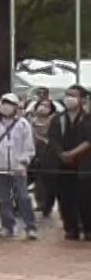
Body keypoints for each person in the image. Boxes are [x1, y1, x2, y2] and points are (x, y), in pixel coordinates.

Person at [0, 93, 37, 240]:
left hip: (18, 168)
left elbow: (28, 146)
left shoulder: (23, 125)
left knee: (23, 198)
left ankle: (30, 227)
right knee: (3, 200)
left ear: (16, 107)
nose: (6, 106)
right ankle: (7, 227)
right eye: (4, 103)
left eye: (10, 103)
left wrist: (23, 162)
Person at [49, 87, 91, 239]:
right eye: (67, 95)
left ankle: (88, 229)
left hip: (84, 167)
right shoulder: (57, 119)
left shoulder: (87, 118)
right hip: (63, 167)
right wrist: (61, 154)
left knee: (86, 199)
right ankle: (71, 228)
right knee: (66, 199)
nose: (69, 98)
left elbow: (89, 140)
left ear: (82, 99)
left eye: (73, 96)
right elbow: (52, 139)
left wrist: (74, 153)